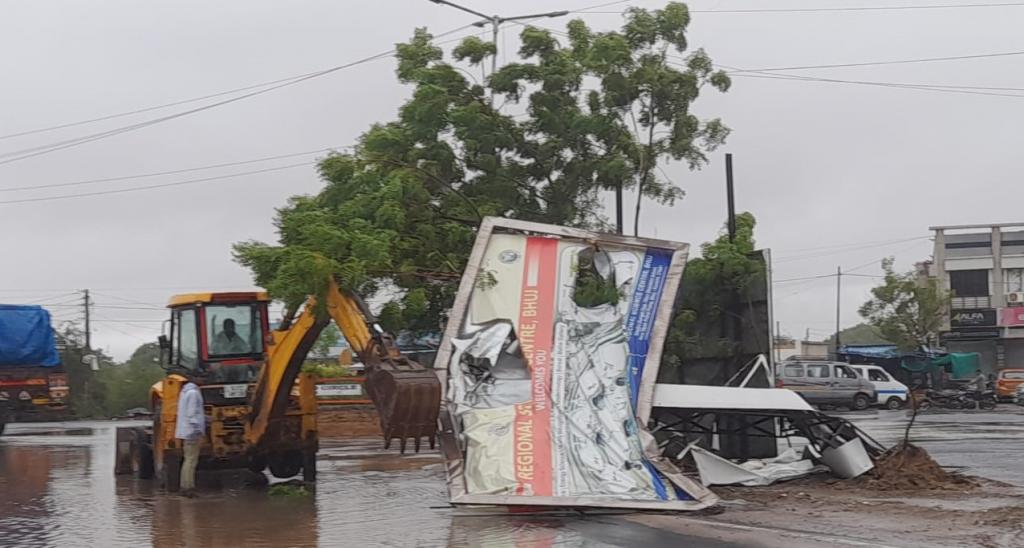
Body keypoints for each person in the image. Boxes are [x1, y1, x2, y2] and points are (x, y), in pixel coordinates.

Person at [175, 373, 205, 496]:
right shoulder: (194, 393)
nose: (204, 379)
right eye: (202, 376)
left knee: (188, 459)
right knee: (191, 460)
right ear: (195, 378)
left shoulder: (185, 392)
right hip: (192, 431)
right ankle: (188, 488)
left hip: (185, 430)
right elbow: (192, 414)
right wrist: (197, 429)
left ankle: (185, 486)